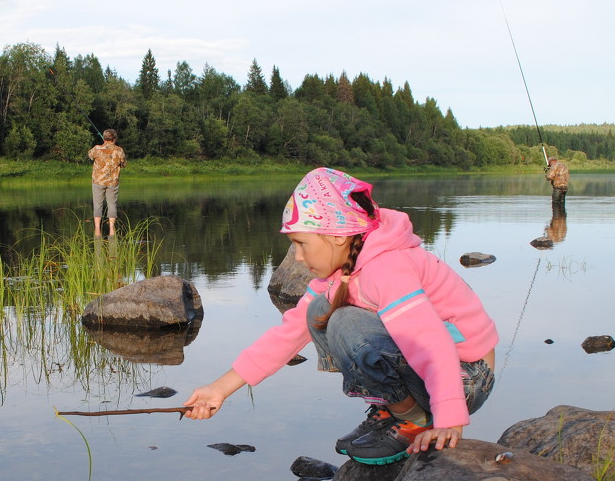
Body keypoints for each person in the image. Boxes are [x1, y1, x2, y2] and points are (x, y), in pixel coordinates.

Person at [183, 167, 498, 464]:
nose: (299, 257)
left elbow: (433, 343)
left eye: (301, 244)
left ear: (337, 236)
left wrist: (450, 422)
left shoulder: (387, 268)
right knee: (320, 311)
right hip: (434, 374)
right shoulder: (340, 274)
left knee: (348, 323)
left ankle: (413, 420)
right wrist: (219, 389)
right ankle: (393, 411)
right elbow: (287, 335)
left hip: (466, 376)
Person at [88, 128, 126, 237]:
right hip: (113, 182)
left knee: (97, 204)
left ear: (104, 138)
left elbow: (90, 155)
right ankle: (112, 228)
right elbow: (123, 164)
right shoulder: (119, 150)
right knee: (112, 203)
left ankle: (97, 229)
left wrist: (102, 145)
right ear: (114, 138)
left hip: (98, 181)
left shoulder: (97, 148)